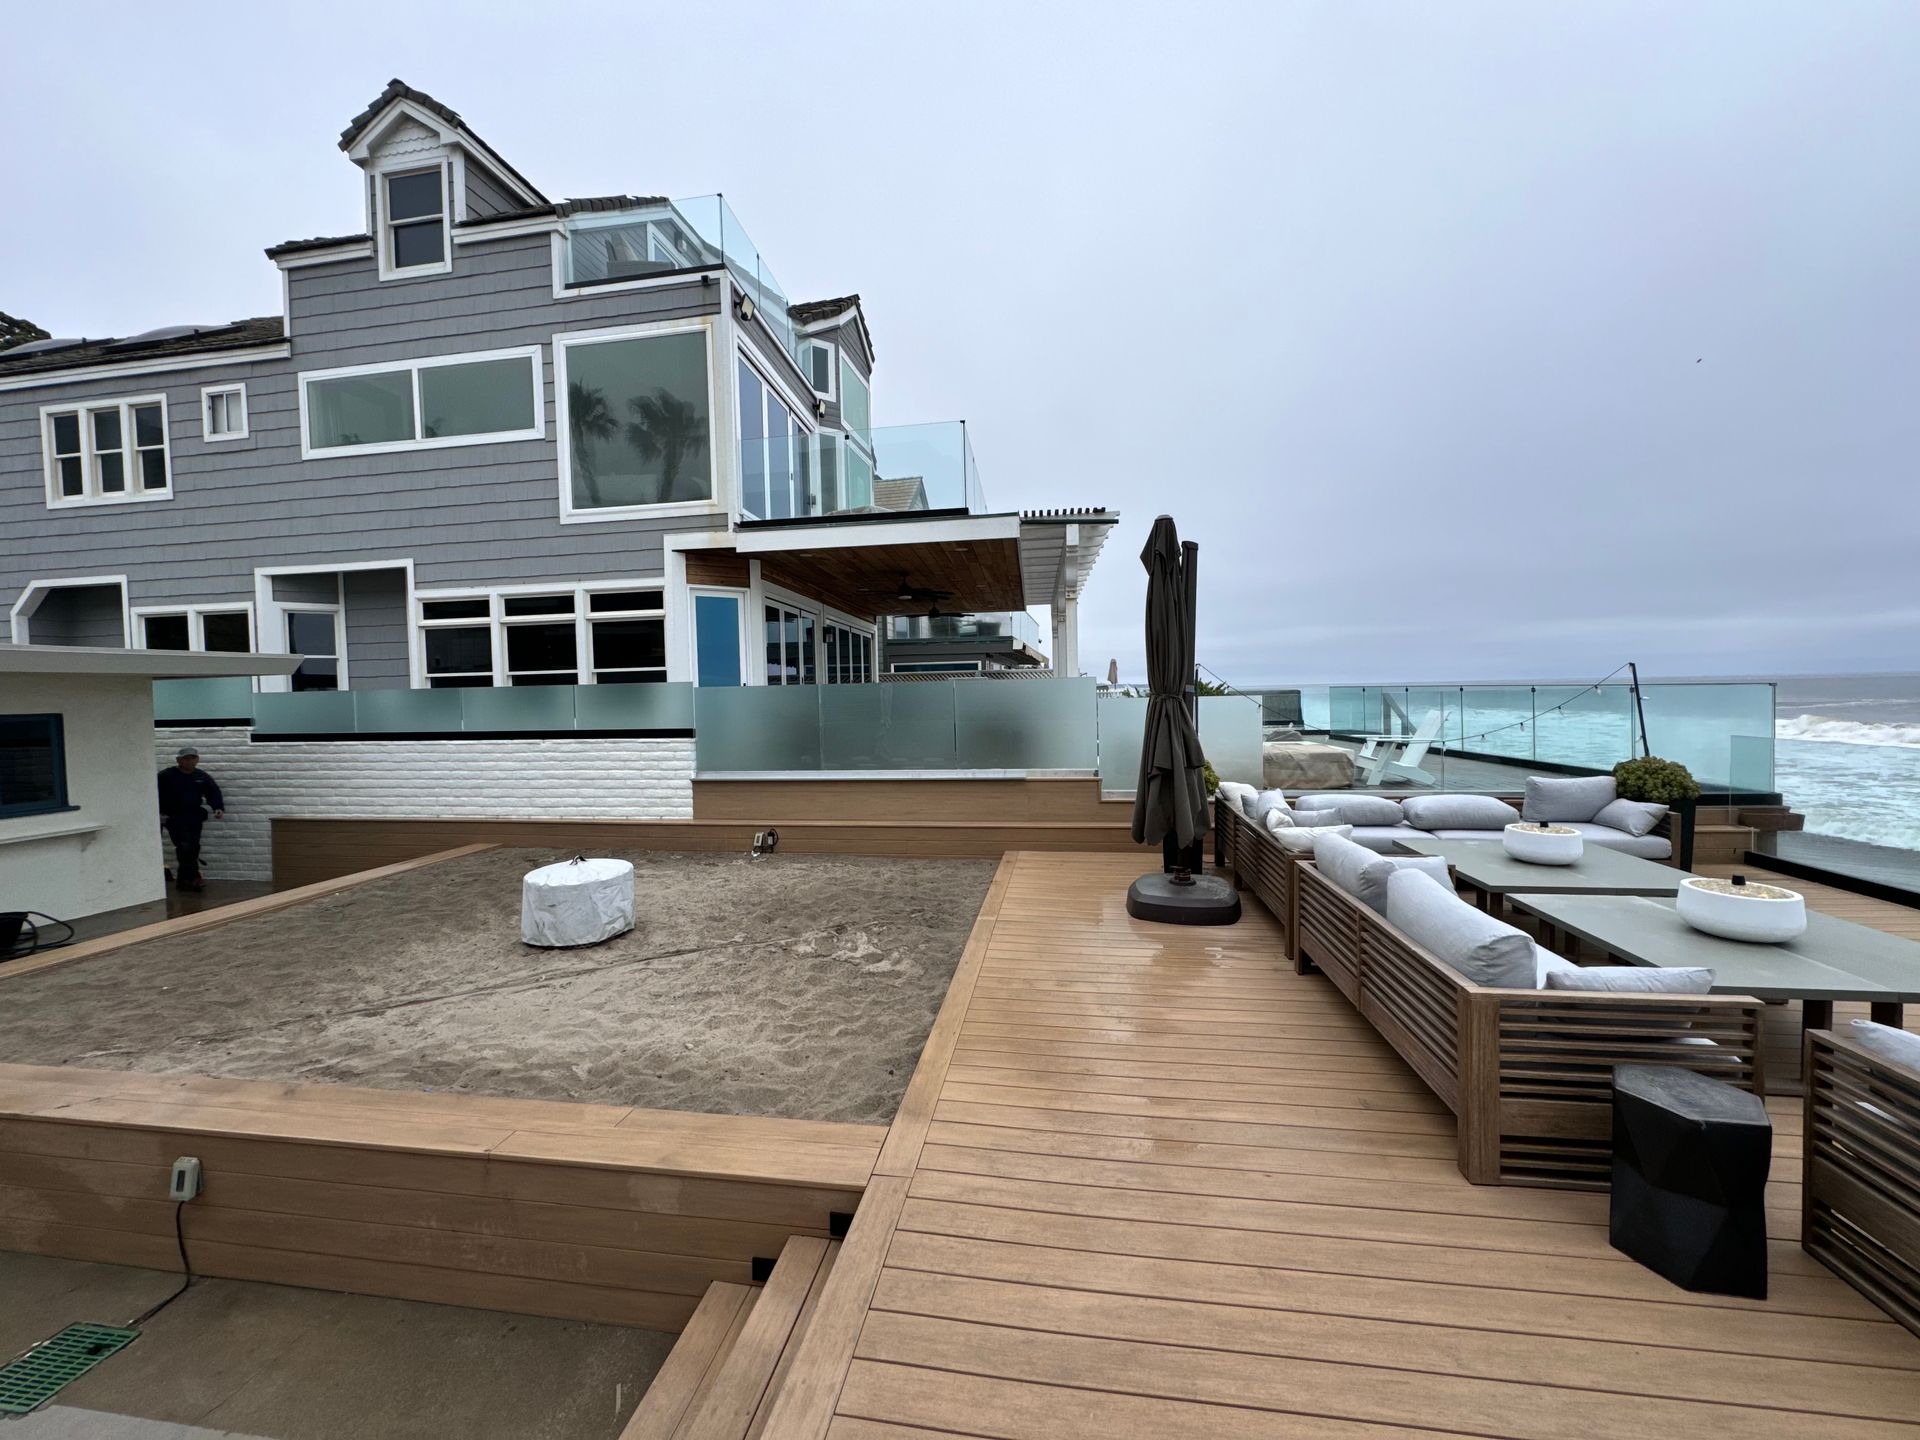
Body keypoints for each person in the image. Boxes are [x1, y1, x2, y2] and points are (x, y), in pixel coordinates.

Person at [158, 746, 224, 892]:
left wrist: (217, 807)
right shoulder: (166, 776)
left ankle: (186, 879)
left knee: (192, 846)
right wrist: (160, 813)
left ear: (197, 760)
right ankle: (192, 877)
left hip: (194, 816)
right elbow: (153, 793)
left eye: (192, 758)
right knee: (184, 846)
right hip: (172, 817)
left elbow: (213, 792)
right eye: (186, 758)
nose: (189, 761)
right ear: (178, 760)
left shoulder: (201, 776)